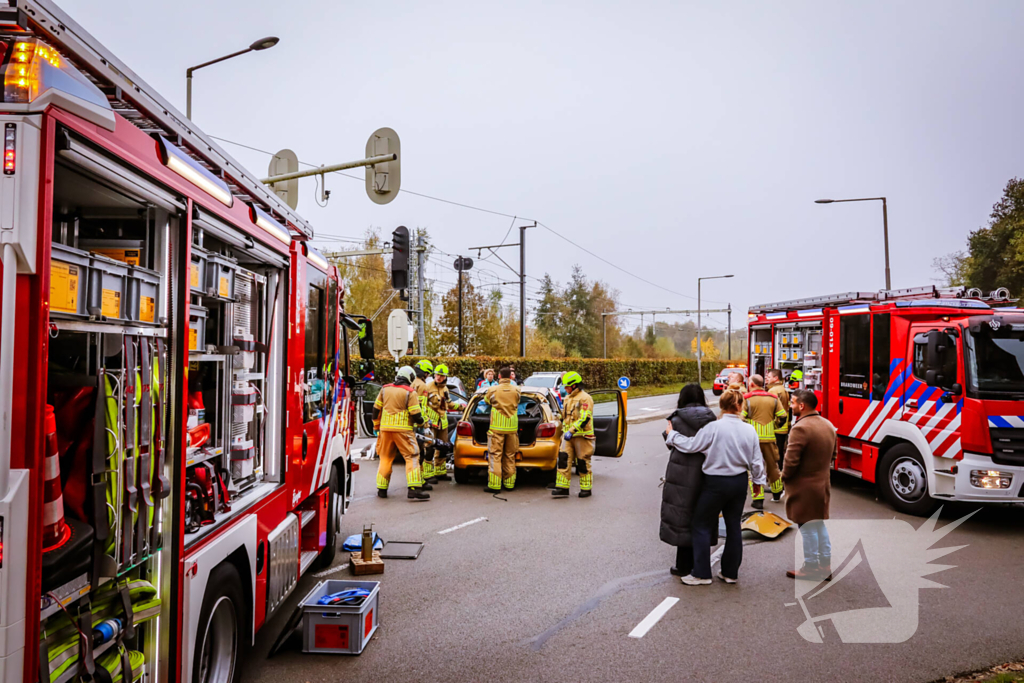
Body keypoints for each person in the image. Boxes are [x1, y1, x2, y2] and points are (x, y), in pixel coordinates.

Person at [664, 389, 767, 585]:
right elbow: (756, 461)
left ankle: (701, 574)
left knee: (700, 524)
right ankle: (730, 573)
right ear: (740, 406)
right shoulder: (749, 429)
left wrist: (672, 435)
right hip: (739, 482)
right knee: (733, 526)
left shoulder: (714, 428)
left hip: (716, 483)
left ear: (721, 405)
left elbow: (692, 445)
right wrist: (758, 483)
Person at [661, 383, 717, 577]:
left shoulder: (676, 419)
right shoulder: (712, 419)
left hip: (681, 474)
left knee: (681, 516)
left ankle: (682, 564)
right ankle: (699, 564)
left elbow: (669, 442)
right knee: (701, 517)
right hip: (706, 472)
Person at [782, 390, 837, 580]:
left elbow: (791, 461)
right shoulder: (828, 425)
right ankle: (825, 565)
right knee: (818, 525)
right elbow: (834, 457)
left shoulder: (800, 428)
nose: (791, 405)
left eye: (793, 402)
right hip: (822, 484)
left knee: (806, 527)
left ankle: (812, 567)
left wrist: (784, 477)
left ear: (802, 406)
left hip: (804, 487)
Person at [373, 366, 430, 501]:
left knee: (385, 458)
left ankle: (382, 489)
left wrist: (376, 427)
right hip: (403, 430)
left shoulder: (385, 389)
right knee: (412, 456)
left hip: (385, 429)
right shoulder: (410, 392)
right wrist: (423, 423)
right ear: (410, 378)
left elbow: (375, 410)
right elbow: (416, 414)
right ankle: (414, 489)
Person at [742, 374, 787, 508]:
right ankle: (777, 491)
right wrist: (774, 426)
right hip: (769, 437)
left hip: (752, 439)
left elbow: (741, 417)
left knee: (754, 468)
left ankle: (758, 499)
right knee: (773, 465)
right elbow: (783, 416)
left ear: (751, 384)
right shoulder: (773, 398)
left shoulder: (747, 398)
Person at [552, 371, 596, 498]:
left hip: (582, 436)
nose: (565, 388)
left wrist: (571, 431)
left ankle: (586, 489)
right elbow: (566, 416)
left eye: (567, 386)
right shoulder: (568, 398)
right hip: (568, 436)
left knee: (582, 463)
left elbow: (585, 418)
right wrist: (558, 418)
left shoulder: (585, 398)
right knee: (564, 460)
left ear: (574, 385)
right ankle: (562, 488)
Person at [484, 366, 521, 491]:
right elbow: (518, 401)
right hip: (512, 428)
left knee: (495, 456)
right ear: (510, 377)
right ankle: (509, 484)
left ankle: (494, 485)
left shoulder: (493, 390)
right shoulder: (517, 390)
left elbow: (486, 400)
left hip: (496, 428)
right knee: (510, 456)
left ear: (499, 376)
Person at [425, 364, 454, 483]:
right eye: (437, 375)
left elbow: (449, 404)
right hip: (431, 423)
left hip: (443, 422)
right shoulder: (427, 387)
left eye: (441, 376)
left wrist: (462, 407)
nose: (439, 377)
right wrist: (425, 420)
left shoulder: (445, 388)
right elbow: (422, 405)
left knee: (443, 447)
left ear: (445, 377)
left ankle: (440, 472)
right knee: (429, 447)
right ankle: (427, 474)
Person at [411, 359, 435, 487]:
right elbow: (422, 407)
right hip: (419, 425)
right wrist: (426, 424)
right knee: (420, 453)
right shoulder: (423, 386)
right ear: (425, 373)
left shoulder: (411, 382)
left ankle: (418, 479)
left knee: (414, 453)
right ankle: (419, 480)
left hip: (410, 424)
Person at [766, 368, 791, 468]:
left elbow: (771, 408)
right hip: (783, 427)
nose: (766, 378)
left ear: (775, 378)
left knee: (774, 453)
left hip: (776, 426)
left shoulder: (773, 390)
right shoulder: (782, 389)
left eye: (768, 377)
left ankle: (775, 475)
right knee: (780, 451)